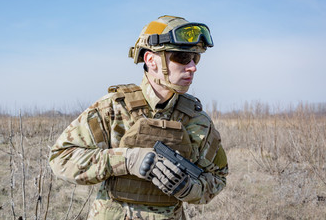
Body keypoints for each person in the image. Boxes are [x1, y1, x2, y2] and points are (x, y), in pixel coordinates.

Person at [49, 15, 228, 219]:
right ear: (151, 60)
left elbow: (218, 178)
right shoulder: (113, 109)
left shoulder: (197, 121)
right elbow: (60, 158)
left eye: (195, 58)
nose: (193, 66)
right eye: (182, 58)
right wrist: (126, 160)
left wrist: (189, 188)